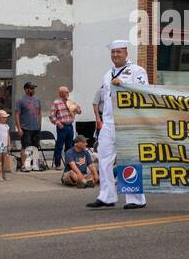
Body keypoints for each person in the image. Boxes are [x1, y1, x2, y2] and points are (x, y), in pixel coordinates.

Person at [87, 39, 150, 210]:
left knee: (129, 160)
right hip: (108, 123)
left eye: (119, 52)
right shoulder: (107, 74)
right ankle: (107, 196)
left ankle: (136, 199)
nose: (115, 55)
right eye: (113, 52)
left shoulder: (137, 71)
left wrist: (124, 84)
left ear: (126, 53)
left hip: (129, 123)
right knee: (103, 159)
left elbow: (144, 92)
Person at [14, 82, 43, 172]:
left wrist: (39, 125)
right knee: (25, 147)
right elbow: (17, 114)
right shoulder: (20, 100)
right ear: (26, 89)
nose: (33, 90)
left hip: (36, 128)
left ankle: (34, 164)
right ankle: (24, 165)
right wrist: (19, 128)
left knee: (35, 147)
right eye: (31, 88)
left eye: (34, 88)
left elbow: (39, 113)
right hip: (25, 127)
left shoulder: (37, 100)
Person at [49, 86, 79, 170]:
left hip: (70, 126)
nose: (68, 93)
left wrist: (77, 109)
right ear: (61, 93)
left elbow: (79, 111)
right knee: (59, 146)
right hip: (62, 126)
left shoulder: (71, 102)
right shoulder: (56, 103)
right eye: (66, 92)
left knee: (69, 146)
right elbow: (52, 116)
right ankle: (57, 164)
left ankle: (69, 164)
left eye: (68, 92)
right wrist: (59, 124)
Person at [0, 110, 12, 178]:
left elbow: (8, 136)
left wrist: (9, 145)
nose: (5, 118)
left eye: (6, 117)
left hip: (5, 145)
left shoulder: (6, 126)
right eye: (3, 117)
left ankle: (4, 174)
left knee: (4, 160)